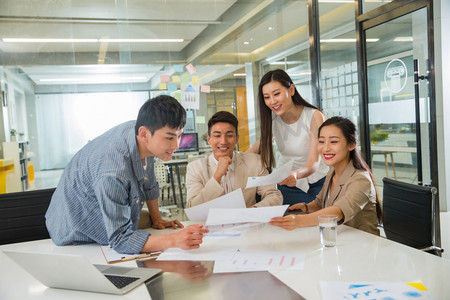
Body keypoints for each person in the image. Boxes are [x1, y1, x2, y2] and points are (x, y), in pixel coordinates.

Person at [45, 95, 208, 254]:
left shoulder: (142, 136)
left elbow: (149, 183)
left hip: (103, 209)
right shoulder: (113, 172)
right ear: (144, 134)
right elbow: (120, 240)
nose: (176, 145)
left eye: (179, 136)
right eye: (169, 138)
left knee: (148, 226)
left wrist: (156, 218)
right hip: (78, 230)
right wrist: (175, 240)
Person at [269, 116, 382, 235]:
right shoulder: (331, 173)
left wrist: (298, 221)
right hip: (339, 239)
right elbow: (319, 203)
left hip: (363, 245)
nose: (326, 148)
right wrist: (305, 207)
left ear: (351, 145)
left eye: (333, 142)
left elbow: (338, 211)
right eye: (321, 141)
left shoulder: (361, 179)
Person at [247, 69, 328, 205]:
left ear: (291, 90)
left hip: (316, 183)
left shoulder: (314, 116)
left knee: (315, 219)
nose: (272, 101)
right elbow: (256, 147)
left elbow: (313, 163)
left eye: (277, 94)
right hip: (286, 184)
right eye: (266, 97)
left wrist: (296, 174)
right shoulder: (273, 119)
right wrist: (234, 162)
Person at [186, 111, 283, 208]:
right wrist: (217, 175)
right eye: (217, 135)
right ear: (209, 139)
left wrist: (252, 210)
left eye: (229, 135)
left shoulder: (255, 162)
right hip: (210, 222)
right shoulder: (195, 168)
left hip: (247, 220)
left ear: (236, 139)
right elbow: (192, 207)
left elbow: (274, 196)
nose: (223, 141)